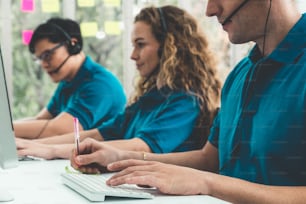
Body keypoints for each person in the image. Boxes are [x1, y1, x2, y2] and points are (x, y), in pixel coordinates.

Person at [70, 1, 306, 203]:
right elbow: (209, 159)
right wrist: (120, 160)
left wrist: (208, 183)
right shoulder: (240, 74)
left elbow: (208, 175)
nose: (210, 10)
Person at [16, 5, 221, 159]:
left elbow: (141, 146)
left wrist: (50, 149)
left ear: (169, 47)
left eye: (140, 45)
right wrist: (37, 146)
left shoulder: (186, 100)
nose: (132, 55)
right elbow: (99, 134)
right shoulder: (152, 97)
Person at [13, 17, 126, 139]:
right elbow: (41, 120)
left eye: (48, 55)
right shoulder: (68, 81)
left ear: (73, 45)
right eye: (39, 59)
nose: (44, 64)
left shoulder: (100, 84)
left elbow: (61, 130)